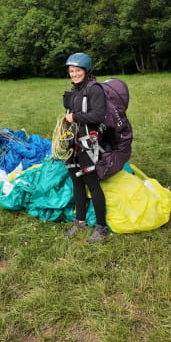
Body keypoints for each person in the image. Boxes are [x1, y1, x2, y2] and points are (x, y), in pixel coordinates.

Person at [63, 52, 109, 243]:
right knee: (76, 182)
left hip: (88, 144)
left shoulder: (94, 89)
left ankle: (101, 228)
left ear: (86, 71)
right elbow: (69, 114)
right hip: (72, 143)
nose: (74, 74)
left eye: (77, 71)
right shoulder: (74, 91)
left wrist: (75, 118)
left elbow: (99, 115)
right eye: (71, 71)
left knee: (92, 183)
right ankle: (79, 221)